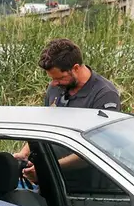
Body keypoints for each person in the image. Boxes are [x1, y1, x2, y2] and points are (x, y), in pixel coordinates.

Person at [14, 38, 121, 183]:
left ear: (76, 68)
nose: (54, 83)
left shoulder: (104, 95)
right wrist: (24, 154)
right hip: (52, 181)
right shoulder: (55, 88)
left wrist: (50, 168)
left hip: (86, 185)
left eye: (60, 78)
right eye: (52, 79)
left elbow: (100, 150)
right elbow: (44, 126)